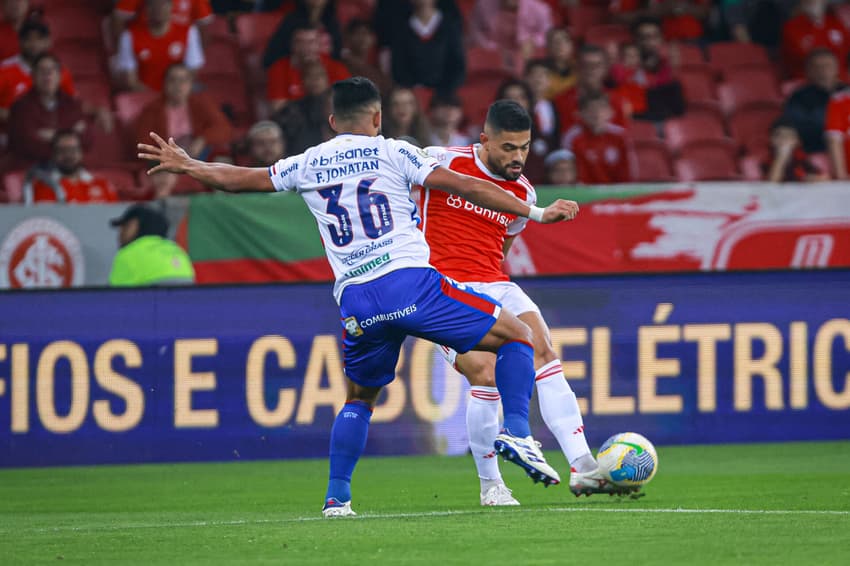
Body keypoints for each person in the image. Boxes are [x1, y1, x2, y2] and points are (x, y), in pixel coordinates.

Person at [137, 76, 579, 517]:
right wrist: (537, 212)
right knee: (518, 336)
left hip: (356, 301)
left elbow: (239, 180)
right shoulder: (393, 150)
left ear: (332, 121)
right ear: (377, 117)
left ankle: (336, 499)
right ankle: (518, 432)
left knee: (359, 399)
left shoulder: (308, 162)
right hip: (411, 284)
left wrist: (189, 164)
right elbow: (468, 186)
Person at [419, 100, 633, 506]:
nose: (517, 157)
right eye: (508, 148)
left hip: (494, 282)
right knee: (484, 376)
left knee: (545, 353)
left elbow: (502, 249)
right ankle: (491, 485)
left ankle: (583, 467)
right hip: (443, 288)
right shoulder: (439, 162)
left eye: (524, 147)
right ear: (485, 140)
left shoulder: (523, 192)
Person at [134, 63, 232, 160]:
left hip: (197, 156)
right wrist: (166, 152)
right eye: (172, 80)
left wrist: (202, 140)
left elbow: (224, 128)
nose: (178, 85)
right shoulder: (152, 110)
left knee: (223, 162)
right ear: (164, 84)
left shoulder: (201, 103)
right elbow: (143, 144)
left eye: (183, 80)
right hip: (166, 159)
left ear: (191, 85)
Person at [7, 53, 88, 168]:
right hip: (30, 168)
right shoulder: (20, 107)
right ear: (33, 76)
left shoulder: (72, 104)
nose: (47, 75)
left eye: (52, 70)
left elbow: (87, 138)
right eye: (41, 71)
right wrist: (70, 136)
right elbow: (27, 144)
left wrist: (53, 136)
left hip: (70, 168)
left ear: (60, 76)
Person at [115, 0, 206, 92]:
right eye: (153, 5)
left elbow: (192, 71)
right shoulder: (129, 36)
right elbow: (131, 81)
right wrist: (156, 98)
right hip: (143, 95)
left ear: (171, 7)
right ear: (146, 9)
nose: (158, 9)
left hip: (177, 96)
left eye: (163, 4)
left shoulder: (189, 32)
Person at [0, 19, 75, 120]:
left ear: (48, 42)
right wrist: (19, 118)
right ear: (20, 41)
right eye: (28, 39)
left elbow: (71, 105)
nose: (34, 44)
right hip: (10, 132)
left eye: (39, 39)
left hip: (51, 131)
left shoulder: (61, 72)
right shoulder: (5, 69)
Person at [388, 0, 465, 97]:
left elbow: (458, 67)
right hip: (413, 96)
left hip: (445, 95)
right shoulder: (401, 29)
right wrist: (413, 89)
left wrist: (444, 91)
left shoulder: (450, 26)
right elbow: (398, 68)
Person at [265, 24, 349, 112]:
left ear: (318, 44)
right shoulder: (278, 69)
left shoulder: (336, 67)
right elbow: (277, 109)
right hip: (294, 123)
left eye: (311, 42)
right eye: (300, 42)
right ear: (292, 44)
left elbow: (347, 105)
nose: (306, 47)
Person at [109, 204, 196, 286]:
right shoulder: (178, 250)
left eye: (126, 226)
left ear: (138, 226)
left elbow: (114, 298)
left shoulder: (128, 254)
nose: (120, 233)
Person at [24, 130, 119, 204]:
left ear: (81, 153)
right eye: (62, 150)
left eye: (73, 150)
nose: (68, 155)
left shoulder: (103, 186)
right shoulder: (41, 187)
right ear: (53, 154)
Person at [783, 48, 846, 153]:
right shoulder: (799, 97)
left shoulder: (847, 91)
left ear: (837, 68)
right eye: (816, 67)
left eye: (827, 66)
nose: (823, 71)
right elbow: (799, 129)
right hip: (820, 149)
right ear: (808, 71)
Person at [562, 92, 632, 184]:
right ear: (579, 114)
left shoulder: (621, 136)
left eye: (601, 108)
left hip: (616, 191)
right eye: (590, 109)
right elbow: (568, 172)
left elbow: (628, 171)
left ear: (611, 112)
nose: (596, 113)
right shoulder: (572, 137)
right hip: (582, 192)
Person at [469, 0, 553, 75]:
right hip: (491, 54)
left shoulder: (539, 8)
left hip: (524, 53)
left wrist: (533, 41)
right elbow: (474, 28)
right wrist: (487, 45)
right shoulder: (483, 4)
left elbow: (549, 34)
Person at [272, 59, 334, 153]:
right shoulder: (291, 110)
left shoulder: (338, 105)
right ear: (302, 81)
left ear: (327, 79)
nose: (315, 80)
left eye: (319, 75)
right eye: (309, 76)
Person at [782, 0, 850, 79]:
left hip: (841, 79)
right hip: (807, 81)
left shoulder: (836, 22)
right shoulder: (791, 27)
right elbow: (791, 61)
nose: (813, 1)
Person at [262, 0, 341, 68]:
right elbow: (270, 58)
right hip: (294, 74)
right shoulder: (291, 21)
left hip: (326, 75)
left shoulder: (332, 22)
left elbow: (337, 55)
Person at [762, 118, 827, 182]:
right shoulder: (764, 160)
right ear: (770, 139)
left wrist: (810, 178)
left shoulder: (804, 161)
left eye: (789, 136)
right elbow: (771, 183)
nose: (784, 139)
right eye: (778, 135)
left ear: (798, 141)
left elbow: (824, 178)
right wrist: (781, 157)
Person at [340, 18, 392, 95]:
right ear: (347, 38)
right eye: (357, 33)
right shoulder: (342, 64)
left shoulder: (378, 64)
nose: (362, 38)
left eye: (366, 33)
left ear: (374, 38)